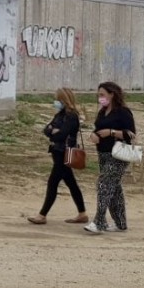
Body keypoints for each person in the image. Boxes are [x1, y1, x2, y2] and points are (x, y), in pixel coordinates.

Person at [28, 88, 88, 225]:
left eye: (57, 99)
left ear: (63, 100)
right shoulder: (60, 114)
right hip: (57, 151)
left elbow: (61, 134)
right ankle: (82, 213)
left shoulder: (72, 116)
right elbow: (47, 129)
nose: (55, 102)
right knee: (71, 184)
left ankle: (42, 215)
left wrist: (55, 131)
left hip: (64, 153)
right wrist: (53, 131)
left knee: (53, 183)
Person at [84, 82, 137, 234]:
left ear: (112, 94)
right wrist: (93, 135)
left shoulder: (123, 112)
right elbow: (97, 129)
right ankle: (121, 223)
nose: (100, 98)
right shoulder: (102, 112)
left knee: (104, 183)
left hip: (119, 155)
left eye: (102, 95)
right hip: (103, 153)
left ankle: (99, 221)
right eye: (98, 95)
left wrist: (112, 132)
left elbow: (131, 134)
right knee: (114, 189)